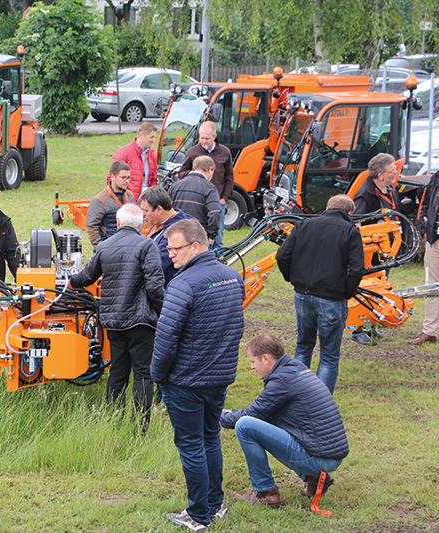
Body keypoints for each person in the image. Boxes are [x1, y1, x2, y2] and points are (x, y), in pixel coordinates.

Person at [151, 218, 244, 531]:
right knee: (210, 438)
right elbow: (236, 328)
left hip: (186, 381)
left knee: (191, 445)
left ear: (195, 246)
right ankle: (215, 504)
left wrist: (158, 376)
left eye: (175, 250)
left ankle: (198, 515)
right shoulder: (232, 277)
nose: (170, 256)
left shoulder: (182, 285)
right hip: (219, 377)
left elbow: (165, 339)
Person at [221, 333, 349, 508]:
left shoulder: (282, 381)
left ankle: (265, 492)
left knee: (244, 426)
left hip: (322, 458)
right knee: (264, 420)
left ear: (265, 358)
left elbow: (250, 416)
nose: (252, 367)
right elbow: (264, 412)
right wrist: (231, 412)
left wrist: (215, 414)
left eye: (252, 361)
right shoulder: (295, 368)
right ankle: (315, 478)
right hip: (331, 454)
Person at [70, 204, 165, 432]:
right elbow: (155, 285)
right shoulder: (147, 245)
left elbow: (86, 276)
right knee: (143, 374)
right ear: (141, 224)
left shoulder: (104, 246)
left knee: (117, 372)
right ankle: (140, 427)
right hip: (141, 321)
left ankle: (113, 420)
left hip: (114, 322)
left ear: (119, 223)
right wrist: (163, 312)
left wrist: (69, 281)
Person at [276, 195, 364, 394]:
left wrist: (293, 279)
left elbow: (282, 255)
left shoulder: (304, 225)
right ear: (349, 213)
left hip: (303, 295)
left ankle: (295, 395)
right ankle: (320, 404)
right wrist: (346, 292)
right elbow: (357, 268)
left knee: (303, 346)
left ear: (327, 207)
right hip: (331, 298)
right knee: (329, 356)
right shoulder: (350, 230)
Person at [351, 153, 402, 345]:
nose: (395, 173)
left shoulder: (390, 191)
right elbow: (357, 222)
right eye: (392, 171)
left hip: (385, 251)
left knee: (381, 287)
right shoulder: (366, 194)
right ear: (380, 175)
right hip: (370, 251)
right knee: (367, 287)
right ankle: (358, 329)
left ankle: (372, 325)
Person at [178, 121, 234, 248]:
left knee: (217, 240)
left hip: (217, 202)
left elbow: (229, 177)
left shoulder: (225, 152)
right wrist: (196, 173)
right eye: (201, 138)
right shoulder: (192, 152)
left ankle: (216, 264)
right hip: (197, 202)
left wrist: (224, 198)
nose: (203, 141)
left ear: (214, 137)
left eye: (207, 138)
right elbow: (181, 174)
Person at [138, 185, 195, 285]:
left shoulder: (178, 231)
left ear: (159, 210)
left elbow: (154, 264)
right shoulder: (158, 222)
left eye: (146, 211)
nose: (143, 214)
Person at [409, 170, 439, 345]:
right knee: (431, 286)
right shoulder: (435, 178)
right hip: (434, 240)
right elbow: (425, 204)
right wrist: (424, 230)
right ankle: (429, 331)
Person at [168, 155, 221, 246]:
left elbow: (168, 211)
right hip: (198, 237)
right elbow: (215, 213)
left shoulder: (175, 186)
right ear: (210, 169)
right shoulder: (209, 188)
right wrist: (212, 235)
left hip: (177, 235)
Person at [86, 160, 137, 248]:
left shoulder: (130, 196)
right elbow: (91, 227)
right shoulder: (100, 200)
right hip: (110, 247)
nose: (127, 181)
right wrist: (101, 248)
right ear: (113, 177)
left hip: (129, 246)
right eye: (123, 177)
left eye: (129, 177)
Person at [111, 122, 158, 198]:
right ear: (141, 135)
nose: (154, 140)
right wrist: (125, 198)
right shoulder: (123, 153)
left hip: (146, 202)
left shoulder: (152, 155)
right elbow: (112, 179)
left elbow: (153, 180)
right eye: (151, 137)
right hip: (128, 202)